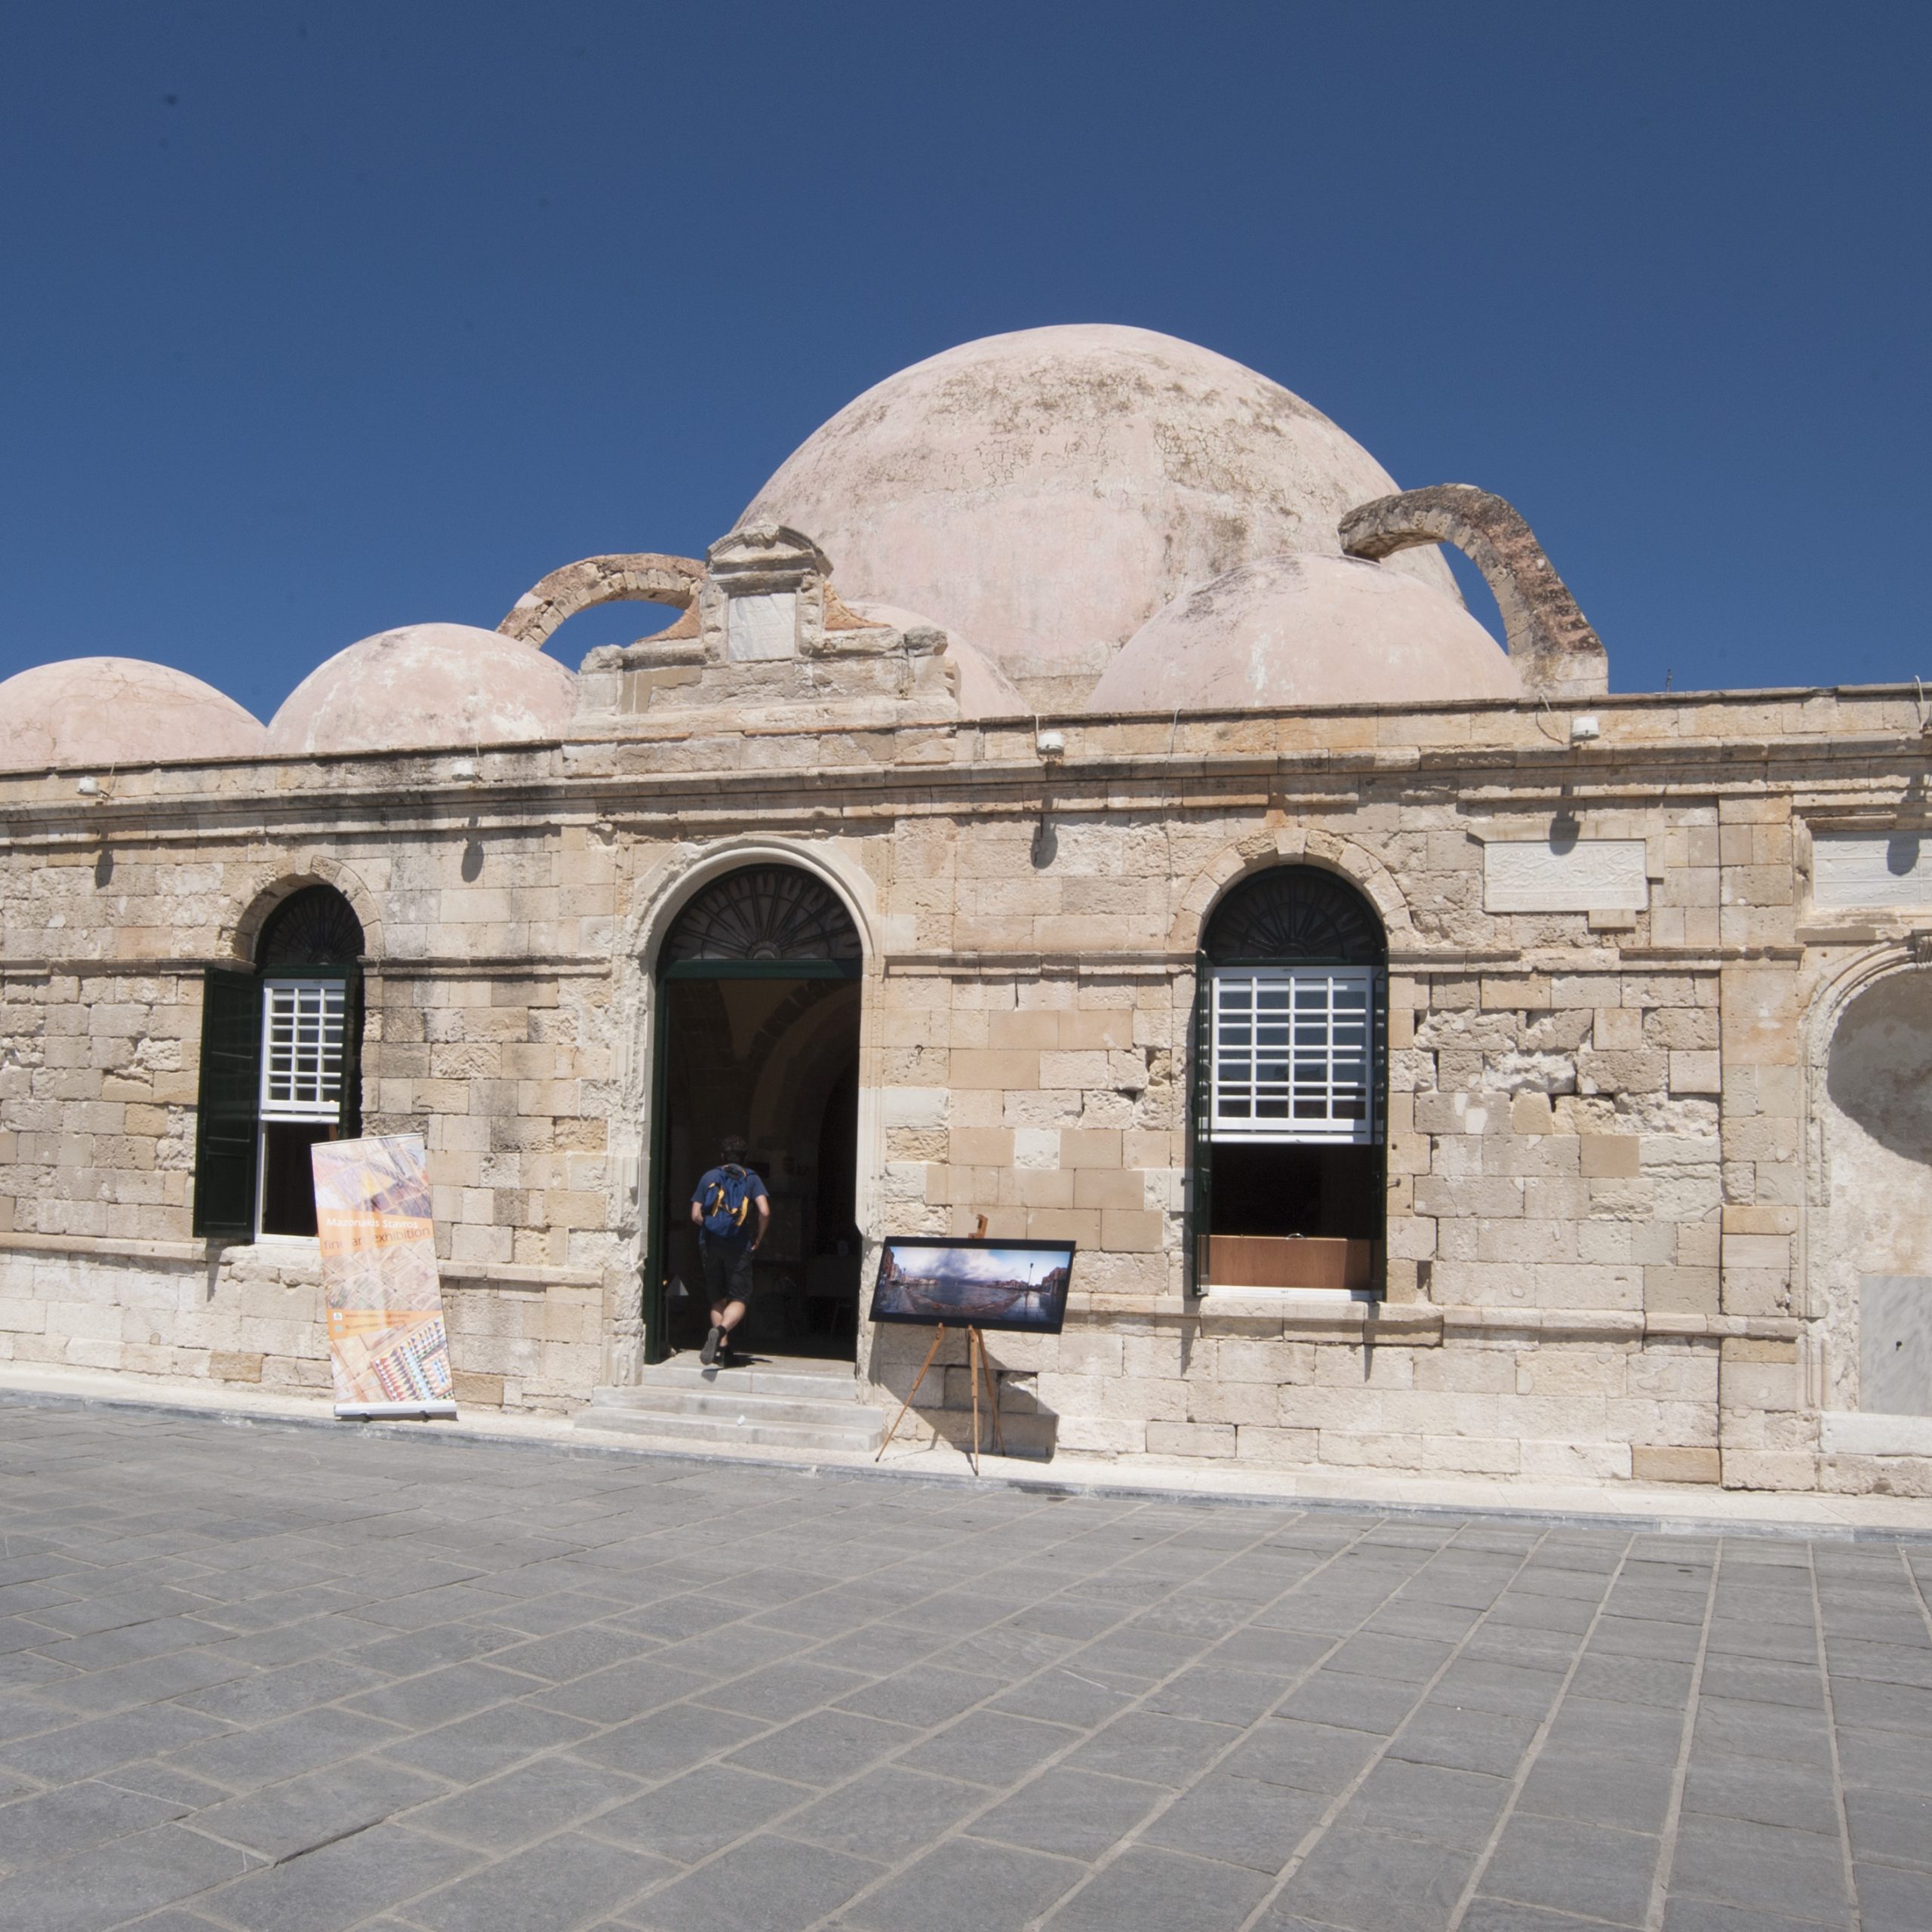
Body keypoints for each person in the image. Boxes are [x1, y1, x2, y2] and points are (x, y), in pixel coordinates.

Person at [689, 1135, 770, 1365]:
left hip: (710, 1244)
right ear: (745, 1158)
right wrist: (759, 1238)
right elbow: (764, 1211)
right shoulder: (751, 1178)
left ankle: (722, 1352)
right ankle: (722, 1330)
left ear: (722, 1155)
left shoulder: (709, 1176)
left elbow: (695, 1215)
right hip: (739, 1245)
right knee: (739, 1298)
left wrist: (712, 1227)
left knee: (717, 1298)